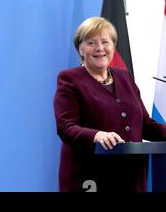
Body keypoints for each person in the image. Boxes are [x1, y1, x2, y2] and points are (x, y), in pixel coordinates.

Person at [53, 17, 166, 192]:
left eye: (105, 42)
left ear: (113, 46)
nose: (100, 48)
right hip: (89, 179)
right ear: (80, 49)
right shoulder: (69, 79)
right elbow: (65, 127)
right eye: (91, 43)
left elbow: (145, 125)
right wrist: (97, 135)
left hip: (131, 178)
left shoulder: (124, 76)